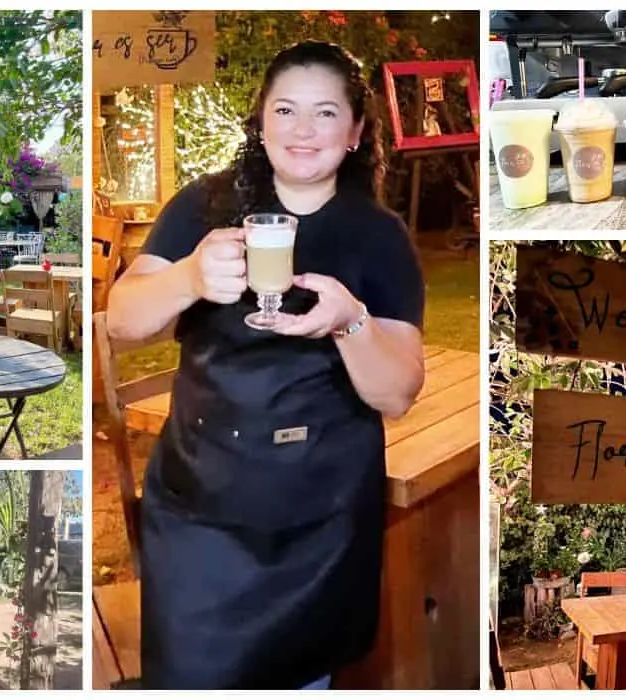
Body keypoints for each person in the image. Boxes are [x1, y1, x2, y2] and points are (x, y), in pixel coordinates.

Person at [105, 40, 426, 689]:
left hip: (320, 518)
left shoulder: (378, 235)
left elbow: (396, 393)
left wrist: (349, 321)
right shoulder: (203, 207)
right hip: (202, 510)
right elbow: (122, 320)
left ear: (357, 131)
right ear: (260, 121)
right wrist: (190, 277)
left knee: (302, 680)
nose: (303, 131)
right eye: (285, 110)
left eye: (326, 113)